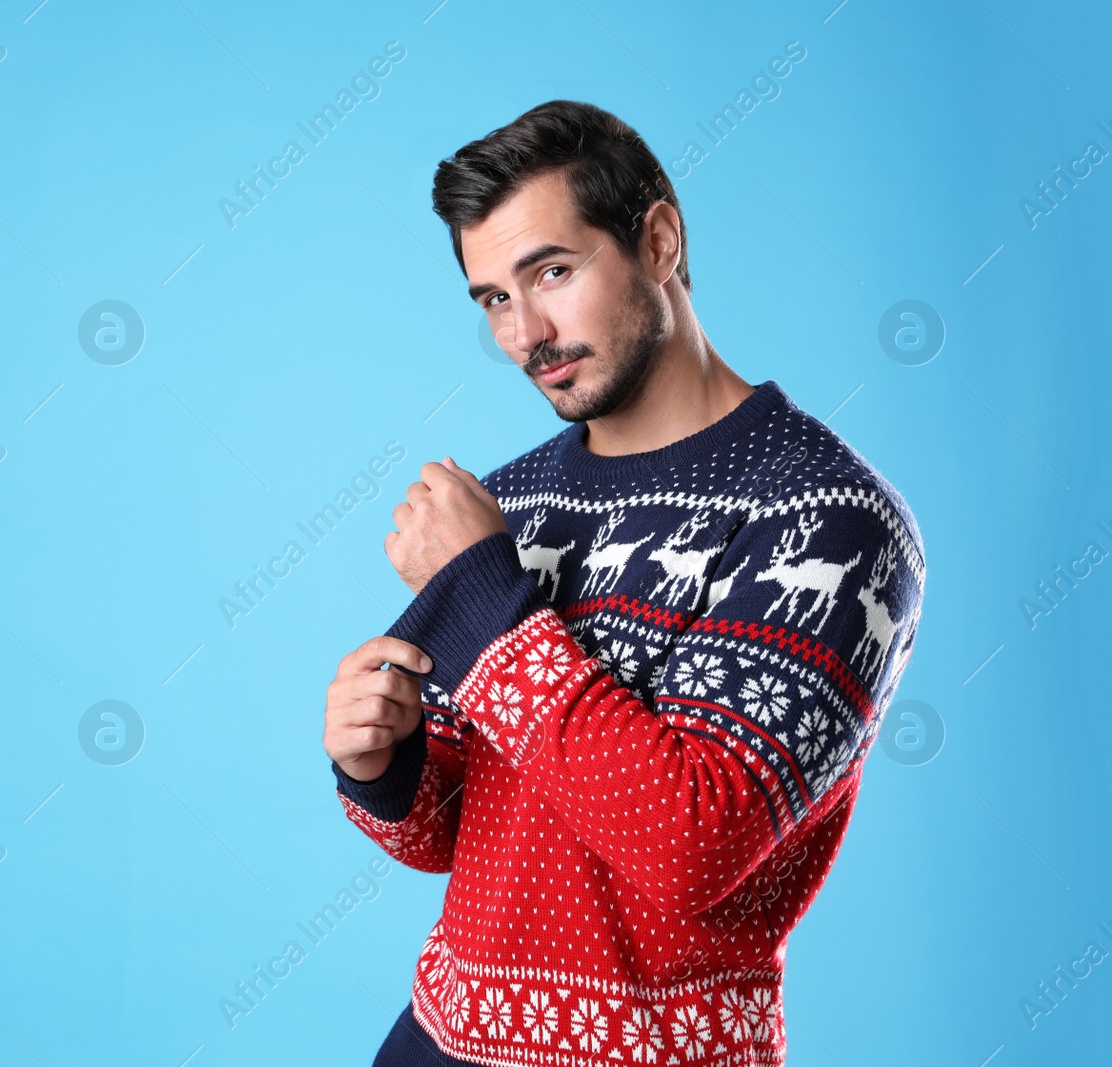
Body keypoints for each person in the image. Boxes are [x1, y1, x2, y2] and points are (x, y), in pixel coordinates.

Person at [323, 100, 925, 1067]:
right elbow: (451, 832)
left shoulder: (832, 520)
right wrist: (380, 760)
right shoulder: (512, 497)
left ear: (658, 238)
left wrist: (484, 589)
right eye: (493, 300)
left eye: (552, 271)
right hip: (439, 1038)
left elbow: (687, 846)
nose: (526, 332)